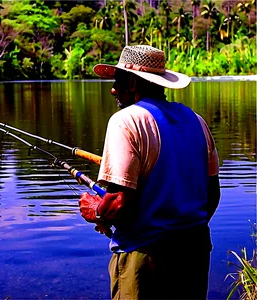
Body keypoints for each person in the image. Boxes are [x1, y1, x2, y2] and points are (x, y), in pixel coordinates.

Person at [79, 45, 221, 300]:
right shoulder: (197, 121)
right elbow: (212, 195)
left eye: (118, 80)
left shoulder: (126, 120)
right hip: (195, 254)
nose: (113, 88)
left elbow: (119, 203)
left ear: (133, 82)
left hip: (145, 258)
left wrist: (97, 210)